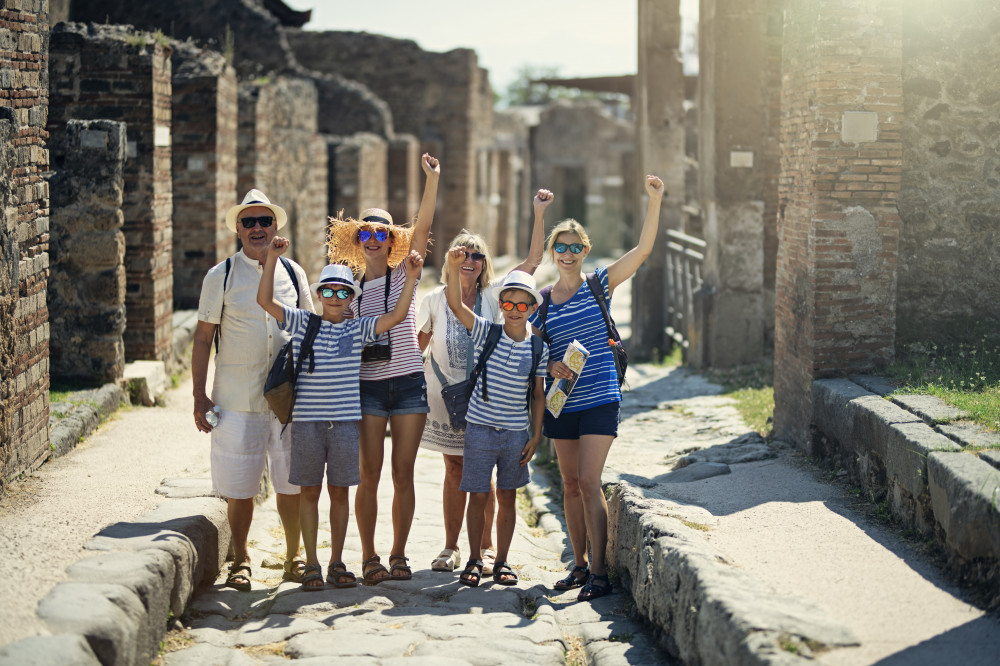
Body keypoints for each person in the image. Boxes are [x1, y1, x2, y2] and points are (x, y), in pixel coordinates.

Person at [256, 235, 423, 591]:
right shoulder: (303, 323)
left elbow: (396, 317)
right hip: (307, 424)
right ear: (319, 295)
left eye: (342, 292)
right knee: (309, 492)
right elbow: (265, 301)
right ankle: (311, 563)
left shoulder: (358, 328)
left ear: (351, 298)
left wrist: (410, 278)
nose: (334, 297)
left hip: (345, 425)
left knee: (340, 493)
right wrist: (271, 259)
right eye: (328, 291)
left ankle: (336, 561)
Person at [533, 175, 665, 601]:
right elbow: (528, 351)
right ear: (553, 251)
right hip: (562, 401)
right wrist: (548, 363)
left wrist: (654, 200)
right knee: (570, 483)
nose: (568, 253)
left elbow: (642, 251)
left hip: (600, 397)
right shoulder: (542, 302)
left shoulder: (599, 284)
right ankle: (578, 564)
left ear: (585, 251)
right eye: (561, 247)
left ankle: (600, 573)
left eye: (575, 247)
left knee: (590, 481)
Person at [417, 189, 553, 574]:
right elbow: (418, 346)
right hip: (446, 396)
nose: (470, 260)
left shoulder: (495, 296)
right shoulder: (435, 299)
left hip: (488, 400)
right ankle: (451, 547)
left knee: (487, 477)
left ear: (485, 264)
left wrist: (538, 212)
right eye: (462, 253)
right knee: (455, 471)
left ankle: (486, 547)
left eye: (477, 255)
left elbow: (533, 261)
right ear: (451, 258)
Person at [324, 153, 439, 584]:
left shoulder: (407, 272)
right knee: (368, 475)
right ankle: (369, 557)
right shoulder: (348, 289)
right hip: (368, 388)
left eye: (381, 233)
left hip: (408, 384)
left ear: (392, 241)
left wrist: (432, 179)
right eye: (366, 233)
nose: (373, 239)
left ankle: (399, 554)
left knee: (403, 474)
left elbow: (422, 229)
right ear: (358, 241)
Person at [192, 189, 315, 591]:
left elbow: (310, 329)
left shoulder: (294, 273)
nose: (258, 228)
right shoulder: (221, 275)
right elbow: (202, 338)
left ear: (276, 226)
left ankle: (293, 557)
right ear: (239, 230)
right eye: (249, 222)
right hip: (236, 397)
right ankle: (241, 558)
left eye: (265, 221)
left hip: (288, 399)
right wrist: (199, 396)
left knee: (291, 483)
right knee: (240, 486)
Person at [443, 251, 549, 587]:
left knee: (507, 497)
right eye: (508, 303)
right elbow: (456, 305)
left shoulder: (538, 348)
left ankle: (502, 560)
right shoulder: (486, 332)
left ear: (532, 308)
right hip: (479, 430)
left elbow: (538, 394)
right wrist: (452, 267)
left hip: (516, 434)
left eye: (522, 305)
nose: (514, 310)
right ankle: (475, 559)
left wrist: (536, 436)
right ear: (500, 305)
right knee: (478, 495)